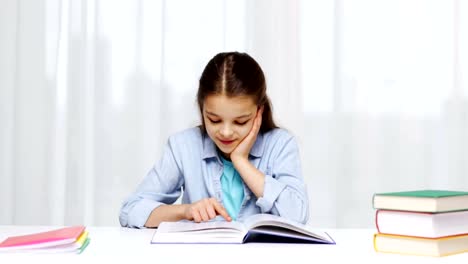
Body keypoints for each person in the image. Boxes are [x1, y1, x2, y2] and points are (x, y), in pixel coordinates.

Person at [119, 52, 309, 228]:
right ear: (201, 108)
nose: (226, 132)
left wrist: (241, 161)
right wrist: (185, 211)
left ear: (260, 112)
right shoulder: (183, 146)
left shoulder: (281, 144)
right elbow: (130, 211)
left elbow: (298, 216)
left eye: (240, 122)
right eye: (214, 120)